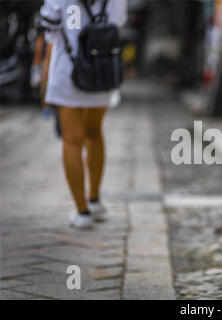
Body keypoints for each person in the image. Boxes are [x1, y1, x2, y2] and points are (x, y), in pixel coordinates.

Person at [40, 0, 127, 229]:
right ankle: (95, 199)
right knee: (94, 132)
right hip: (101, 72)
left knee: (72, 140)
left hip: (68, 71)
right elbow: (118, 22)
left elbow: (49, 27)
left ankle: (82, 212)